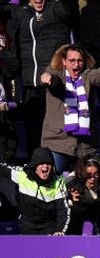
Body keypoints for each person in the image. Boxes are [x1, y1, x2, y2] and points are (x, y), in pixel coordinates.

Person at [8, 0, 78, 155]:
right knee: (33, 131)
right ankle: (36, 167)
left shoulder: (57, 9)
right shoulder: (20, 12)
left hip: (55, 83)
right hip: (29, 84)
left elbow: (69, 7)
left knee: (56, 130)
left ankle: (59, 165)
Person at [40, 44, 100, 173]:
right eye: (72, 61)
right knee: (49, 179)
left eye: (79, 60)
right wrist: (48, 80)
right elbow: (54, 82)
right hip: (58, 144)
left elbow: (96, 75)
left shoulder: (86, 75)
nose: (76, 65)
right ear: (64, 61)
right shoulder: (55, 74)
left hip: (85, 147)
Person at [0, 147, 69, 235]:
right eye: (41, 163)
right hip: (26, 224)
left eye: (49, 164)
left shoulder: (58, 182)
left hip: (48, 226)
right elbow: (3, 169)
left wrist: (60, 231)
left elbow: (63, 210)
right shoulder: (23, 175)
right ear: (35, 165)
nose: (45, 167)